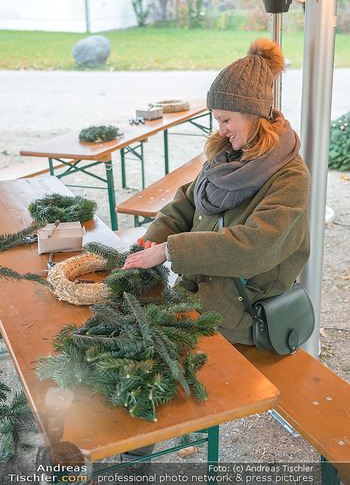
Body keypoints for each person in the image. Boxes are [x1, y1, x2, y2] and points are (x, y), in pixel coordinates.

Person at [122, 38, 311, 346]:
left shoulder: (290, 177)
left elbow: (254, 248)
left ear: (252, 114)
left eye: (226, 120)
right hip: (194, 294)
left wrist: (169, 250)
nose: (220, 130)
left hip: (238, 316)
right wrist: (152, 239)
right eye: (217, 120)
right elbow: (187, 201)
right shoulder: (228, 154)